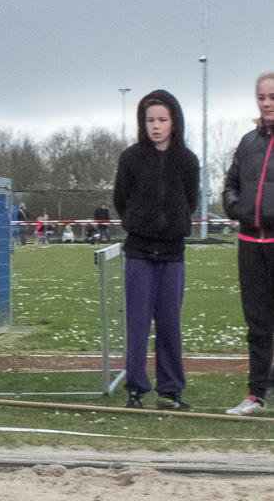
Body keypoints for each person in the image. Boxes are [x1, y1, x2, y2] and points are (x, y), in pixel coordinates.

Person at [113, 90, 199, 411]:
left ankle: (171, 391)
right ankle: (135, 390)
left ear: (174, 122)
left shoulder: (188, 161)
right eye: (150, 120)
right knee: (137, 324)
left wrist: (173, 225)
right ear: (142, 122)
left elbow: (189, 201)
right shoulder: (130, 158)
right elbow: (121, 199)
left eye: (162, 119)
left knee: (169, 324)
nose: (156, 126)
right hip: (138, 254)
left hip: (173, 255)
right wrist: (139, 221)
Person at [223, 72, 274, 416]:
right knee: (256, 323)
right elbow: (230, 185)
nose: (267, 103)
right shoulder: (246, 142)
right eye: (262, 97)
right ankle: (256, 395)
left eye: (272, 96)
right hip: (249, 244)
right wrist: (236, 207)